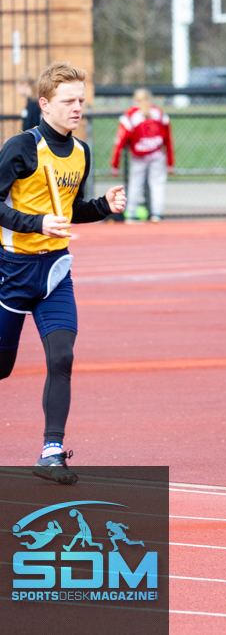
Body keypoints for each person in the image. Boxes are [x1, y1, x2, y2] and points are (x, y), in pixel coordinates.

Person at [0, 62, 126, 485]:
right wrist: (35, 224)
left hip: (55, 273)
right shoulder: (20, 147)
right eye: (69, 101)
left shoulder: (81, 152)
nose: (77, 109)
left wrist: (103, 207)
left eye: (81, 101)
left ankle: (51, 451)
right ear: (45, 104)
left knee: (63, 357)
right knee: (2, 366)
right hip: (12, 273)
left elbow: (70, 212)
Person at [111, 88, 174, 223]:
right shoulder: (158, 112)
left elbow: (119, 142)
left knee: (135, 184)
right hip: (157, 155)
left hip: (139, 157)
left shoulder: (130, 115)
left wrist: (115, 164)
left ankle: (131, 213)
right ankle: (157, 213)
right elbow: (168, 139)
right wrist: (170, 162)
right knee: (157, 184)